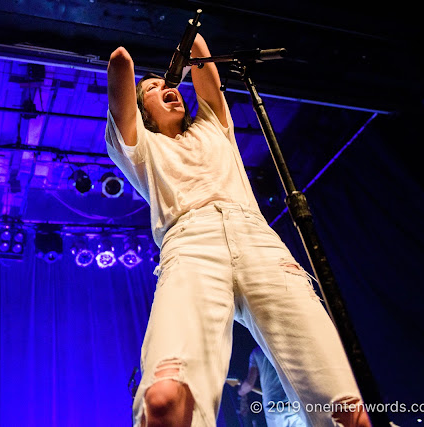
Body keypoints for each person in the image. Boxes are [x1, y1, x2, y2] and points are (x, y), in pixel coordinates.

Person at [105, 32, 371, 427]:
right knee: (164, 399)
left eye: (170, 84)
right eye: (155, 90)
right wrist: (153, 76)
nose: (168, 88)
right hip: (191, 246)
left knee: (346, 411)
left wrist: (184, 51)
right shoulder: (141, 147)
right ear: (143, 111)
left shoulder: (213, 125)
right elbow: (119, 62)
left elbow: (199, 49)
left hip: (260, 244)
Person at [239, 346, 306, 427]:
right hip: (293, 403)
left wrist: (241, 391)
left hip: (272, 407)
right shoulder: (289, 346)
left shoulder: (257, 352)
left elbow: (249, 384)